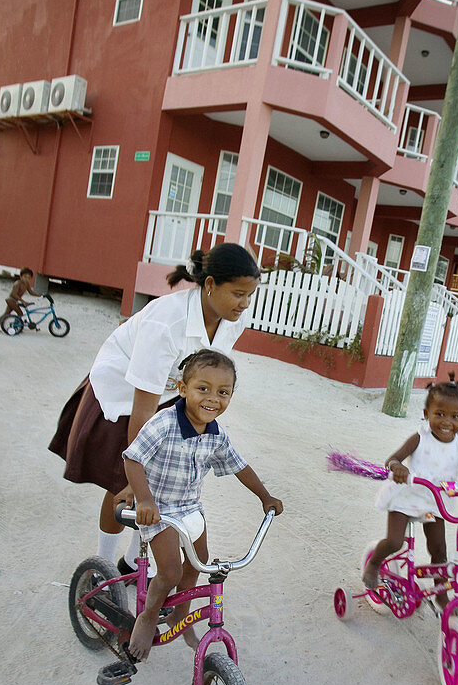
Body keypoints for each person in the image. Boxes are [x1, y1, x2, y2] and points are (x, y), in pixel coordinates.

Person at [49, 243, 261, 574]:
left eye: (250, 295)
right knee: (125, 481)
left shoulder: (232, 321)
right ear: (209, 285)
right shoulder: (166, 322)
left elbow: (206, 370)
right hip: (124, 393)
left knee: (163, 484)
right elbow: (143, 408)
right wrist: (140, 472)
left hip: (174, 391)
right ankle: (103, 566)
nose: (244, 304)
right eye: (237, 294)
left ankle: (133, 562)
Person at [123, 349, 283, 660]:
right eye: (203, 388)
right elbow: (133, 459)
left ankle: (178, 616)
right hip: (160, 512)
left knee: (200, 563)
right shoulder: (164, 423)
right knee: (169, 572)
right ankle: (148, 615)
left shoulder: (216, 434)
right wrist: (144, 498)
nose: (213, 398)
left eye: (223, 392)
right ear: (183, 389)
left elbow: (240, 466)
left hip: (191, 509)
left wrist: (265, 496)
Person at [362, 375, 458, 595]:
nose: (446, 422)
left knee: (439, 550)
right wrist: (398, 468)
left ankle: (440, 593)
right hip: (407, 494)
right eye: (439, 414)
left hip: (435, 501)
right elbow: (392, 459)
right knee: (395, 541)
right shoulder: (420, 439)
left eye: (455, 416)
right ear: (426, 414)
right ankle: (374, 563)